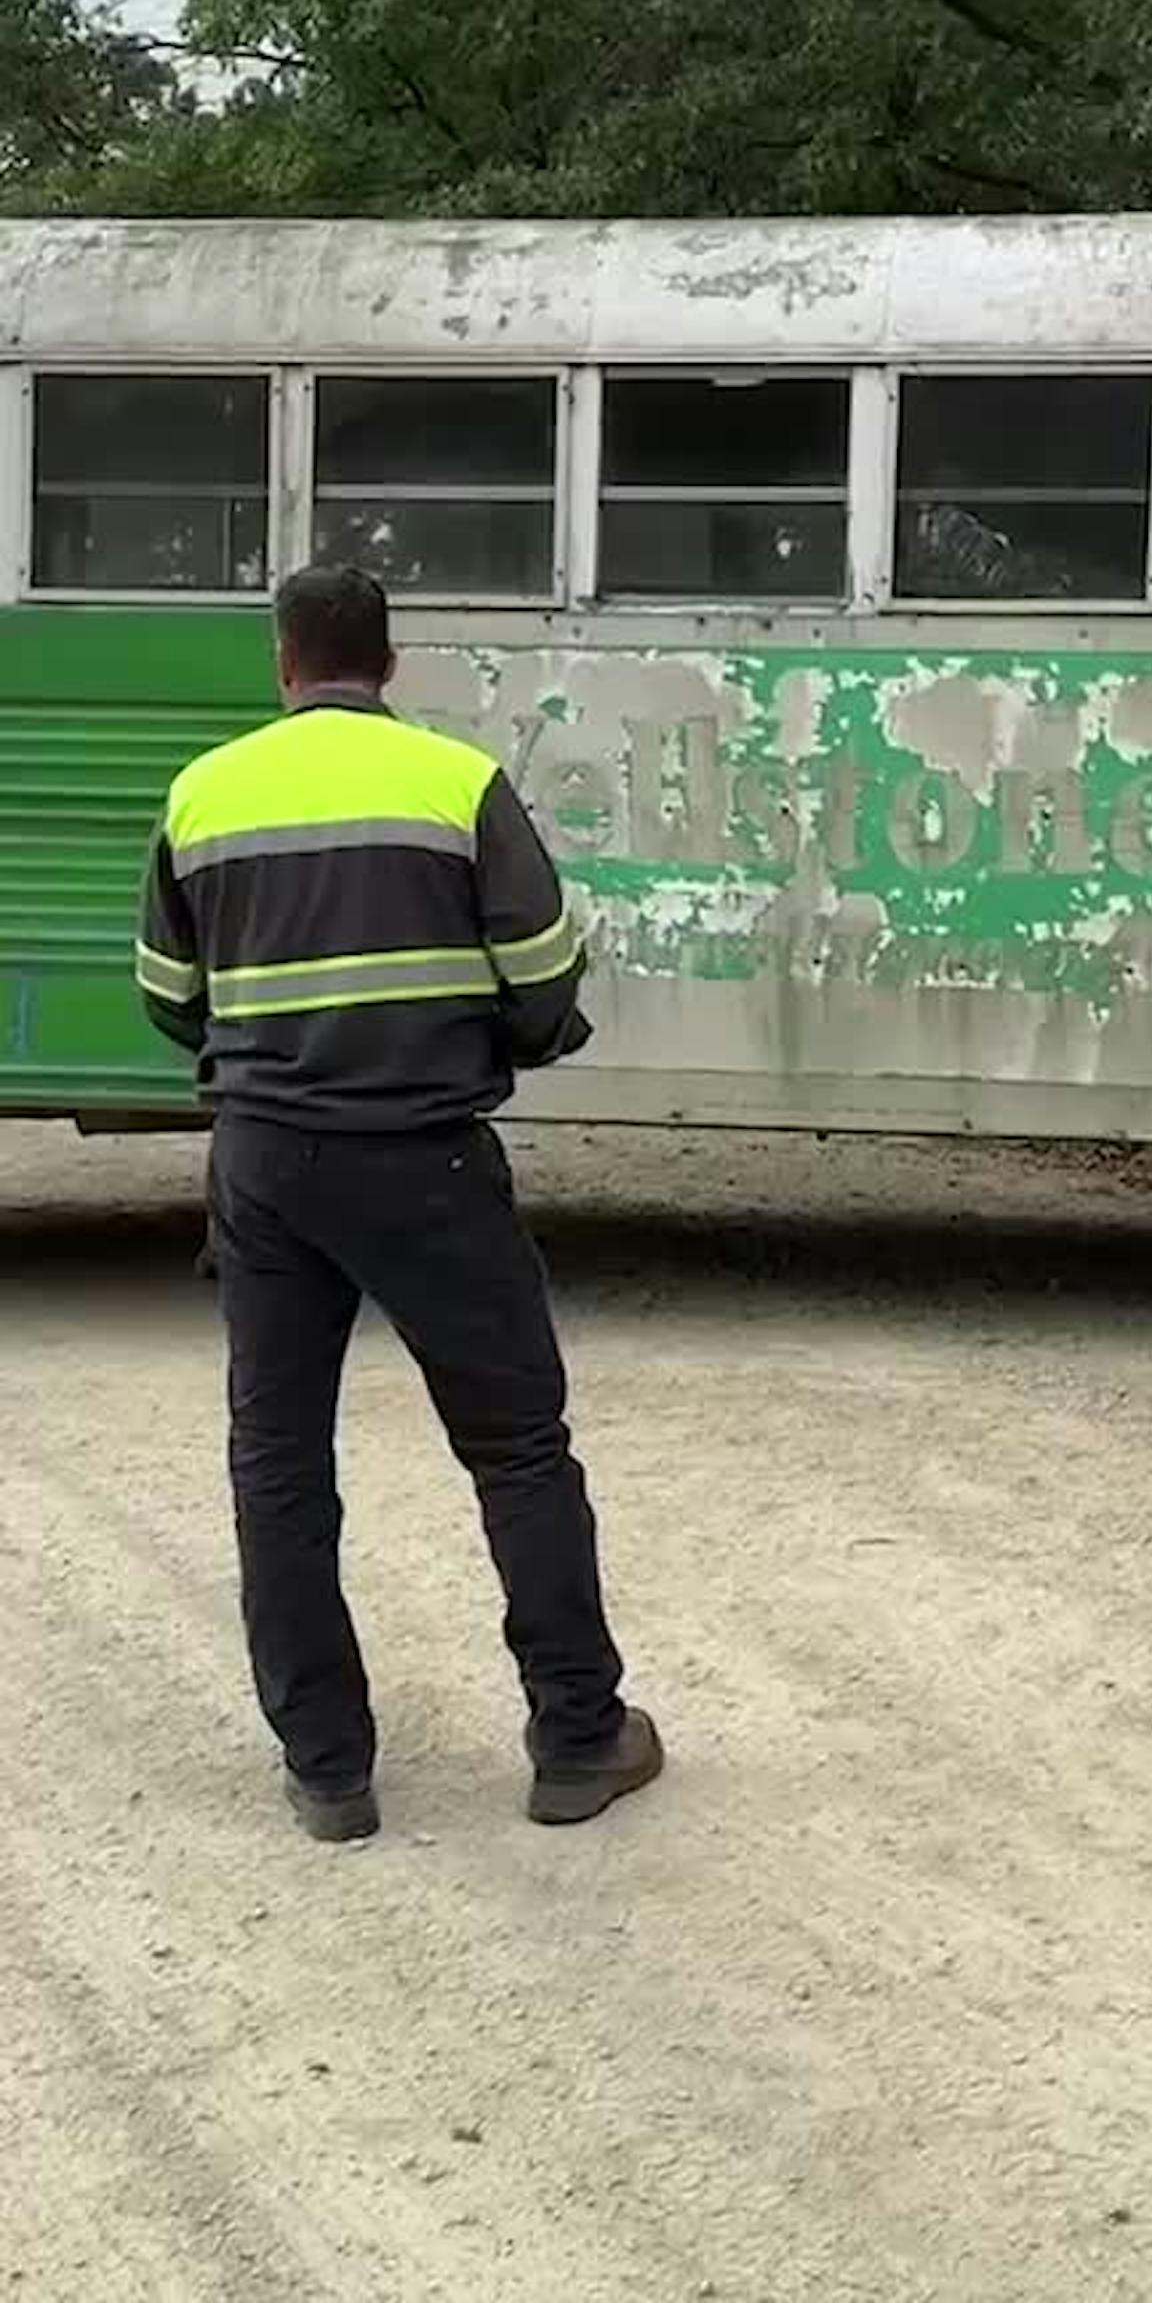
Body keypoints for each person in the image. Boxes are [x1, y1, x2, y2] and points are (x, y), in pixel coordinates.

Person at [135, 562, 662, 1843]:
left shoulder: (204, 794)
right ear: (388, 662)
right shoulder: (455, 782)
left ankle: (329, 1771)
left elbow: (166, 992)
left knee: (279, 1462)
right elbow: (542, 976)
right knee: (519, 1448)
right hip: (426, 1158)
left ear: (283, 661)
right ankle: (578, 1741)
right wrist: (505, 1038)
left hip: (265, 1167)